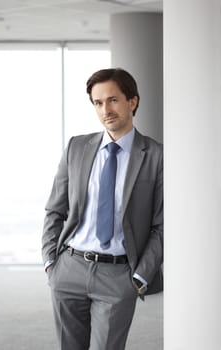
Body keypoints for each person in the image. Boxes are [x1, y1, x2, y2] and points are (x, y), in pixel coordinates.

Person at [42, 67, 163, 350]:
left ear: (132, 101)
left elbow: (162, 225)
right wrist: (51, 262)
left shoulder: (156, 155)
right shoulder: (77, 147)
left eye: (113, 100)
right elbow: (55, 210)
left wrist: (139, 275)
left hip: (118, 275)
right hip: (69, 268)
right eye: (98, 102)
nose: (105, 109)